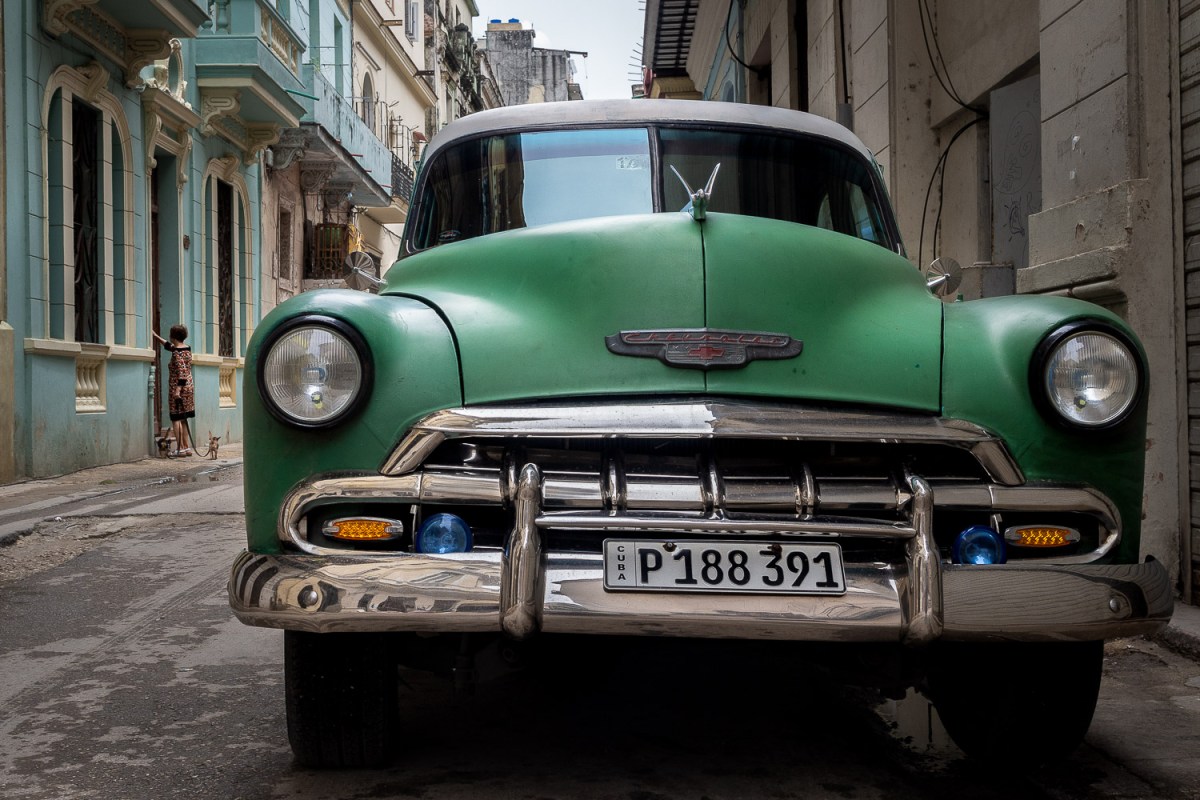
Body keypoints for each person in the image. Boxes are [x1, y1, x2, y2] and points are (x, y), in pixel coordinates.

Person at [152, 324, 195, 456]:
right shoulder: (186, 349)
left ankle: (180, 449)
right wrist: (156, 336)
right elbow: (169, 346)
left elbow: (181, 373)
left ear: (173, 336)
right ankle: (186, 448)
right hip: (189, 387)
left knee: (176, 418)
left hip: (178, 388)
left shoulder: (176, 353)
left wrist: (177, 391)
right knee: (184, 418)